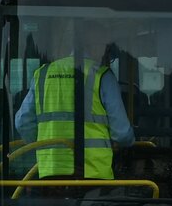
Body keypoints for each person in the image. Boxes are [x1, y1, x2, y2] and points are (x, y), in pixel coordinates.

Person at [14, 20, 135, 179]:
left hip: (50, 175)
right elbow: (122, 133)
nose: (106, 52)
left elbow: (23, 123)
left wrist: (45, 146)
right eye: (104, 45)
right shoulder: (102, 76)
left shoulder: (42, 75)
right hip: (93, 174)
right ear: (92, 45)